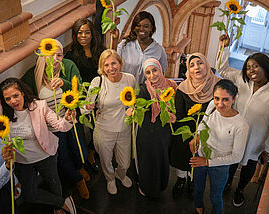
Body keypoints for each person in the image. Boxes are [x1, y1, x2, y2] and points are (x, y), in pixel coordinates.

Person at [218, 36, 269, 207]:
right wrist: (225, 48)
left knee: (248, 166)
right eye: (248, 67)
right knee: (232, 162)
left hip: (256, 139)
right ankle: (227, 184)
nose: (251, 70)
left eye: (255, 66)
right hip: (235, 134)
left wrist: (268, 150)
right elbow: (223, 70)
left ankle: (240, 190)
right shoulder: (241, 81)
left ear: (266, 67)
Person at [0, 78, 75, 214]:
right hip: (21, 160)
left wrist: (68, 119)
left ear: (23, 93)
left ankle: (58, 208)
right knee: (29, 194)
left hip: (45, 154)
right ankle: (62, 202)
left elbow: (60, 126)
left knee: (53, 182)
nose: (13, 101)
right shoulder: (0, 107)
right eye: (8, 99)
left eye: (16, 96)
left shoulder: (39, 106)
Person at [22, 39, 90, 200]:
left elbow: (77, 91)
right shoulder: (33, 75)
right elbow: (27, 100)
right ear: (42, 55)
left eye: (59, 55)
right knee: (63, 154)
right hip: (51, 128)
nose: (55, 59)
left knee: (77, 147)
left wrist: (63, 84)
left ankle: (79, 167)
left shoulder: (67, 68)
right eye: (50, 55)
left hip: (70, 120)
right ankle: (77, 179)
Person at [190, 79, 249, 214]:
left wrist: (207, 162)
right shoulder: (212, 105)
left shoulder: (240, 125)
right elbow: (203, 122)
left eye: (225, 100)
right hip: (201, 156)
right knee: (197, 188)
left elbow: (237, 157)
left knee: (215, 196)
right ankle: (199, 207)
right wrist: (197, 136)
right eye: (217, 98)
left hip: (219, 165)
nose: (219, 104)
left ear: (234, 99)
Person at [83, 49, 135, 195]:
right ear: (102, 67)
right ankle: (110, 178)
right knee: (106, 161)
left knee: (125, 162)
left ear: (120, 63)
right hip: (104, 129)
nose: (111, 68)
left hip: (124, 128)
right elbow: (85, 107)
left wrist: (132, 108)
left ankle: (121, 174)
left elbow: (133, 99)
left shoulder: (130, 79)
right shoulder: (98, 82)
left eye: (114, 63)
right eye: (106, 65)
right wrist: (86, 106)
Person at [169, 53, 220, 199]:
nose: (196, 67)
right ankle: (180, 179)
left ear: (207, 65)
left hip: (205, 132)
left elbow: (218, 115)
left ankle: (192, 180)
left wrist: (200, 134)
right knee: (182, 156)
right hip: (185, 131)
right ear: (188, 70)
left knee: (198, 158)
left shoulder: (217, 87)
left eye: (200, 63)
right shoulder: (183, 88)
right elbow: (180, 114)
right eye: (192, 65)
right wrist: (172, 118)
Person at [128, 58, 177, 198]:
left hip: (164, 131)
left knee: (162, 158)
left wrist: (174, 115)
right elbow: (137, 105)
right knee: (147, 161)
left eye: (154, 70)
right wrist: (133, 109)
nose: (152, 75)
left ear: (160, 69)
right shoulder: (144, 89)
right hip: (148, 132)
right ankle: (146, 186)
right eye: (148, 72)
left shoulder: (171, 85)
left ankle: (160, 185)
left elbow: (177, 106)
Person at [65, 18, 105, 172]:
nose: (83, 36)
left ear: (92, 34)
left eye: (87, 32)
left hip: (101, 96)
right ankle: (84, 158)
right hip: (83, 99)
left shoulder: (100, 52)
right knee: (85, 127)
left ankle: (92, 151)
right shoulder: (71, 56)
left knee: (99, 127)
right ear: (75, 35)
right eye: (79, 32)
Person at [117, 11, 168, 85]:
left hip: (147, 92)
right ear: (134, 28)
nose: (141, 29)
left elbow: (161, 74)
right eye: (138, 25)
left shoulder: (159, 50)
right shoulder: (124, 45)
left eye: (146, 26)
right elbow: (114, 64)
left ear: (151, 28)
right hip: (124, 90)